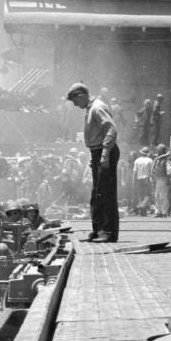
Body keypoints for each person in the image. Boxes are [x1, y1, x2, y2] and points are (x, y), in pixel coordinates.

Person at [66, 82, 120, 242]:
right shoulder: (92, 108)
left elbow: (111, 129)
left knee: (106, 193)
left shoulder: (97, 108)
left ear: (81, 95)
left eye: (75, 101)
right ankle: (98, 230)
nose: (75, 105)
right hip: (98, 152)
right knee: (97, 193)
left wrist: (104, 155)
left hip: (105, 152)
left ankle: (108, 233)